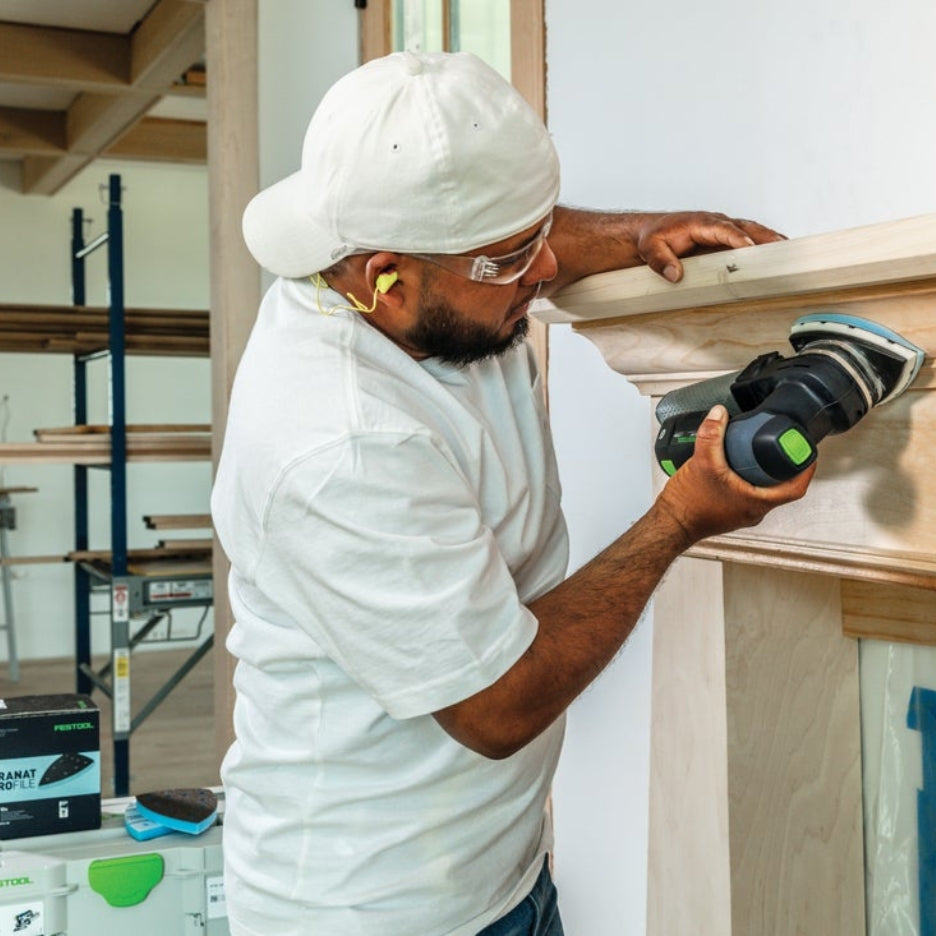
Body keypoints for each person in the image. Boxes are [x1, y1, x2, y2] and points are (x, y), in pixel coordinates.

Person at [211, 50, 814, 936]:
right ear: (385, 276)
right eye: (511, 260)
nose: (544, 271)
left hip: (503, 873)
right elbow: (497, 705)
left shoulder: (431, 286)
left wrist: (639, 232)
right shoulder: (339, 442)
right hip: (375, 907)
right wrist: (680, 519)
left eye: (535, 237)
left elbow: (511, 239)